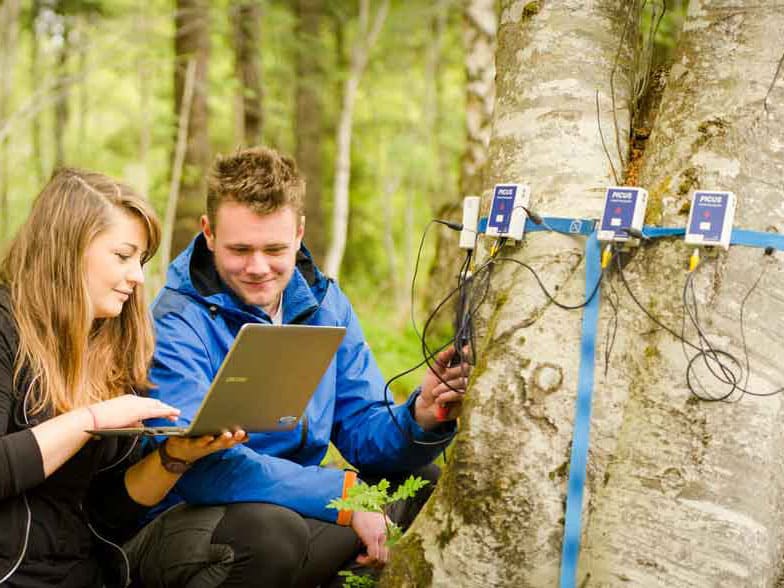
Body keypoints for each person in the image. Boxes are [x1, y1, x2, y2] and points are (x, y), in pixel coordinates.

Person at [130, 146, 471, 587]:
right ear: (208, 233)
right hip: (198, 520)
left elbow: (362, 426)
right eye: (239, 249)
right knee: (274, 536)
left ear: (299, 234)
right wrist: (345, 499)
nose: (258, 267)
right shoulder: (175, 321)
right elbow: (201, 466)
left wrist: (422, 414)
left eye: (274, 248)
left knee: (422, 482)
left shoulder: (325, 302)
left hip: (296, 504)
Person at [0, 168, 246, 588]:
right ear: (68, 249)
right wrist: (91, 419)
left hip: (87, 573)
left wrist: (178, 457)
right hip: (13, 575)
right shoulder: (7, 328)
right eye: (122, 255)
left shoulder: (114, 343)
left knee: (266, 537)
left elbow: (105, 514)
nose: (137, 276)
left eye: (141, 260)